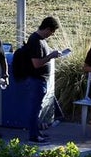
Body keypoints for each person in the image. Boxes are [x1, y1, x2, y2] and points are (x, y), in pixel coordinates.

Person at [17, 16, 67, 144]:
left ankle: (37, 132)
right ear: (48, 29)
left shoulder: (41, 41)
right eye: (52, 31)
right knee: (35, 109)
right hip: (36, 80)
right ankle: (33, 136)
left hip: (40, 80)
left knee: (37, 108)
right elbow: (37, 63)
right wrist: (51, 56)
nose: (52, 34)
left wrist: (52, 54)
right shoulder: (35, 41)